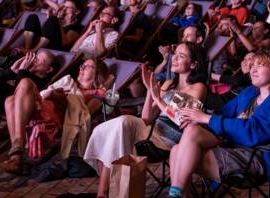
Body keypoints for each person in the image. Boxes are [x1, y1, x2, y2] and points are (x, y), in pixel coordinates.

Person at [167, 50, 270, 197]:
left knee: (181, 156)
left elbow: (253, 133)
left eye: (260, 65)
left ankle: (177, 193)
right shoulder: (250, 93)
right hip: (234, 147)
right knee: (179, 147)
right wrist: (196, 118)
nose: (253, 69)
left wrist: (206, 118)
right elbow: (222, 114)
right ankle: (178, 194)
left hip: (258, 157)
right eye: (252, 65)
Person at [84, 42, 208, 198]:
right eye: (174, 54)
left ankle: (103, 194)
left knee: (122, 124)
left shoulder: (198, 88)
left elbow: (181, 119)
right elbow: (147, 118)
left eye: (181, 56)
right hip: (149, 130)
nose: (174, 59)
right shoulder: (169, 84)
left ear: (193, 64)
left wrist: (159, 98)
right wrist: (150, 91)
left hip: (168, 139)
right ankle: (103, 193)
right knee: (105, 129)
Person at [1, 56, 108, 173]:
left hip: (53, 115)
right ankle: (16, 156)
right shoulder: (70, 83)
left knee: (24, 85)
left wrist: (63, 97)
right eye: (82, 66)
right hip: (41, 106)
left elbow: (83, 114)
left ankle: (17, 150)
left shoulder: (95, 95)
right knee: (10, 100)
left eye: (87, 67)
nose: (82, 69)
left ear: (98, 74)